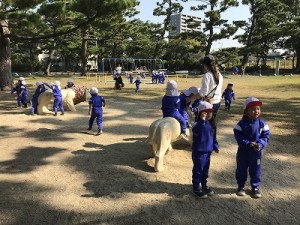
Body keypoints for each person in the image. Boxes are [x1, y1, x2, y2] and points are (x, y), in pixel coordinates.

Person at [233, 97, 270, 198]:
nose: (256, 111)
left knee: (256, 170)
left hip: (256, 152)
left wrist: (260, 144)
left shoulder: (263, 124)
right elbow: (238, 137)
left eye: (258, 108)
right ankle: (241, 186)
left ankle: (255, 187)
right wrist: (248, 143)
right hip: (243, 153)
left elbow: (265, 136)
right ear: (246, 111)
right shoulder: (240, 125)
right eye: (253, 109)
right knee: (241, 169)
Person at [188, 54, 223, 151]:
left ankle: (202, 143)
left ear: (205, 65)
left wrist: (190, 99)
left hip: (208, 103)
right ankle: (214, 144)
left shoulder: (207, 75)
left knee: (201, 123)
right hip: (216, 102)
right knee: (212, 123)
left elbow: (203, 93)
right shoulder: (219, 74)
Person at [192, 101, 218, 198]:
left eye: (210, 112)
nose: (209, 115)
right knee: (198, 170)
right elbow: (196, 131)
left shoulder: (210, 124)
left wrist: (215, 145)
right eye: (206, 112)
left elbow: (213, 137)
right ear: (201, 114)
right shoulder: (197, 124)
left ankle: (204, 184)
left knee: (205, 170)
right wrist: (202, 121)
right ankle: (196, 188)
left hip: (208, 151)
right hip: (199, 152)